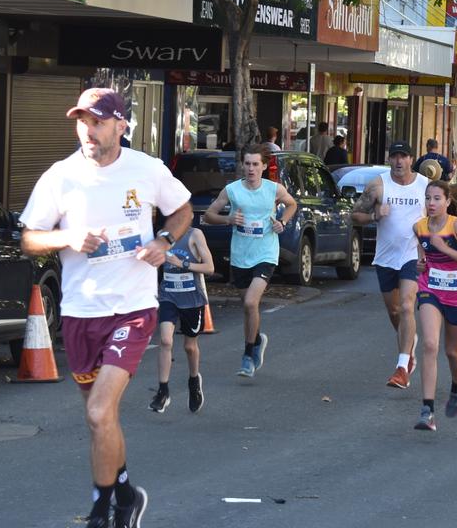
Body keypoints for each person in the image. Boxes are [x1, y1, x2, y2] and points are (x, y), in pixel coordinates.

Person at [20, 87, 193, 528]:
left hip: (133, 308)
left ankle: (101, 510)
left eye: (97, 122)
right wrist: (67, 238)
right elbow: (29, 239)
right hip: (81, 312)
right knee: (101, 419)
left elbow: (183, 211)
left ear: (121, 124)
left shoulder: (147, 170)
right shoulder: (60, 176)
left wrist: (163, 241)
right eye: (82, 121)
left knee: (99, 411)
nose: (88, 131)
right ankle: (126, 493)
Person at [203, 144, 299, 379]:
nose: (251, 168)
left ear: (264, 166)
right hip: (240, 254)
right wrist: (227, 219)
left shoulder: (273, 189)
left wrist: (282, 222)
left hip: (266, 252)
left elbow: (292, 204)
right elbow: (208, 215)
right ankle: (257, 339)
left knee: (249, 303)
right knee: (248, 307)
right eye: (247, 164)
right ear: (242, 166)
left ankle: (248, 356)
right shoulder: (232, 190)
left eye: (256, 164)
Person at [351, 142, 429, 389]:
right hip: (385, 257)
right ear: (389, 159)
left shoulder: (424, 185)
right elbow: (354, 215)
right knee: (395, 312)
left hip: (412, 254)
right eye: (394, 156)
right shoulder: (378, 185)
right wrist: (375, 215)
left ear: (411, 159)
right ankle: (409, 345)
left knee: (407, 306)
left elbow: (440, 215)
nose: (398, 161)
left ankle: (402, 366)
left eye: (403, 156)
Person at [412, 181, 457, 431]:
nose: (431, 203)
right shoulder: (419, 227)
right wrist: (420, 264)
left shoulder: (456, 225)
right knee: (430, 344)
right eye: (428, 198)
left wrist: (445, 248)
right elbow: (423, 257)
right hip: (430, 290)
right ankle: (427, 411)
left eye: (437, 198)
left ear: (447, 201)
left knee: (452, 351)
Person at [149, 225, 214, 414]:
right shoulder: (162, 235)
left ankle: (194, 381)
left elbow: (210, 267)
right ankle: (163, 391)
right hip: (168, 296)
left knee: (189, 347)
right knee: (165, 340)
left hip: (191, 299)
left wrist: (182, 264)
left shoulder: (195, 235)